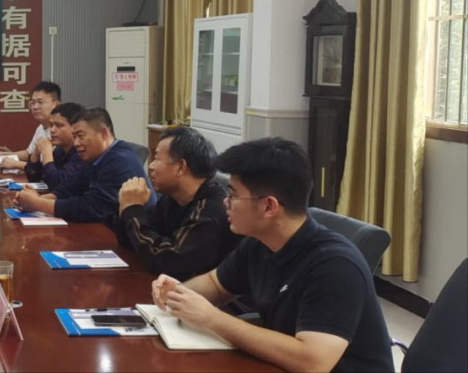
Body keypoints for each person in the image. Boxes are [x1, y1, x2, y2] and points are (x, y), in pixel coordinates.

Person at [150, 138, 393, 373]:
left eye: (233, 195)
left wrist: (213, 319)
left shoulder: (335, 265)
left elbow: (312, 363)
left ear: (269, 206)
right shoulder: (259, 243)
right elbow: (216, 284)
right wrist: (179, 292)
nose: (225, 202)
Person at [117, 126, 239, 279]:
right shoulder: (173, 198)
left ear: (180, 167)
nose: (151, 166)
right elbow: (133, 241)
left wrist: (133, 209)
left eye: (157, 158)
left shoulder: (210, 212)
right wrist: (125, 208)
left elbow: (167, 260)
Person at [15, 108, 155, 234]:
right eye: (74, 137)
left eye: (80, 136)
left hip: (135, 238)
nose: (76, 143)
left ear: (103, 134)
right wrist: (37, 199)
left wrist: (37, 204)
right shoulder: (96, 156)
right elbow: (70, 187)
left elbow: (91, 207)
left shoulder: (119, 160)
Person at [0, 81, 61, 171]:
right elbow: (29, 153)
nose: (35, 107)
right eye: (33, 103)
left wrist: (16, 164)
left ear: (56, 104)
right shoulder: (40, 128)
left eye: (40, 102)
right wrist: (5, 155)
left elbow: (51, 167)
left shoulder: (62, 131)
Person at [24, 102, 86, 190]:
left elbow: (57, 183)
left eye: (59, 125)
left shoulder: (82, 152)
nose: (52, 130)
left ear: (75, 127)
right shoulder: (60, 150)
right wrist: (35, 154)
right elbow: (33, 177)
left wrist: (46, 152)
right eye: (51, 125)